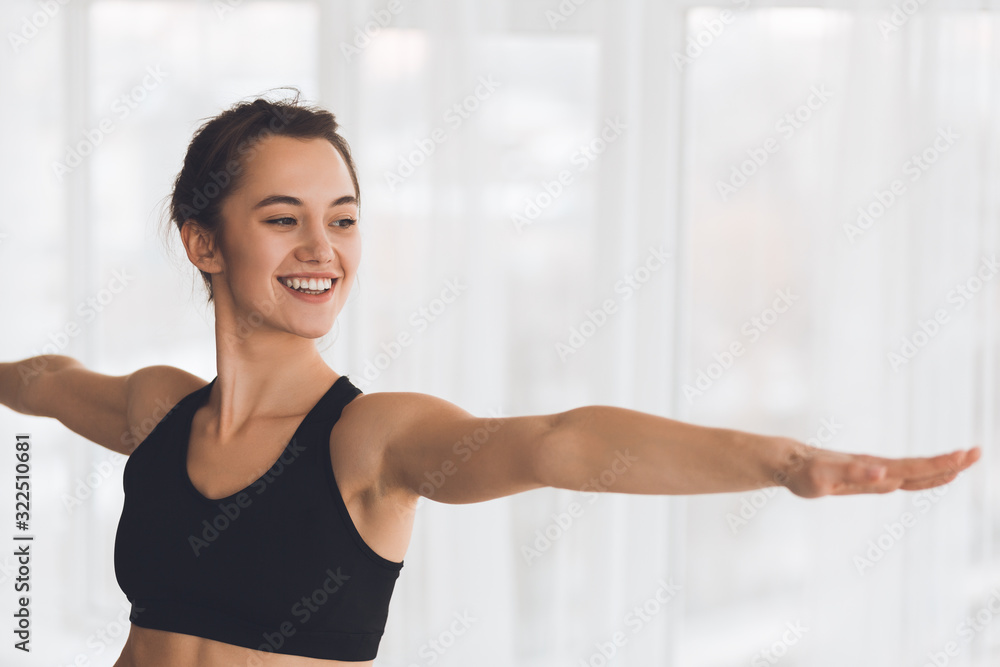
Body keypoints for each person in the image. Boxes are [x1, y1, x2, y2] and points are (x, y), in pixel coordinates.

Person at [0, 91, 981, 667]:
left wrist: (785, 461)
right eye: (283, 217)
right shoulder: (158, 408)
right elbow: (43, 377)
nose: (322, 247)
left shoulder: (370, 438)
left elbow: (560, 442)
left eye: (343, 218)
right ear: (202, 241)